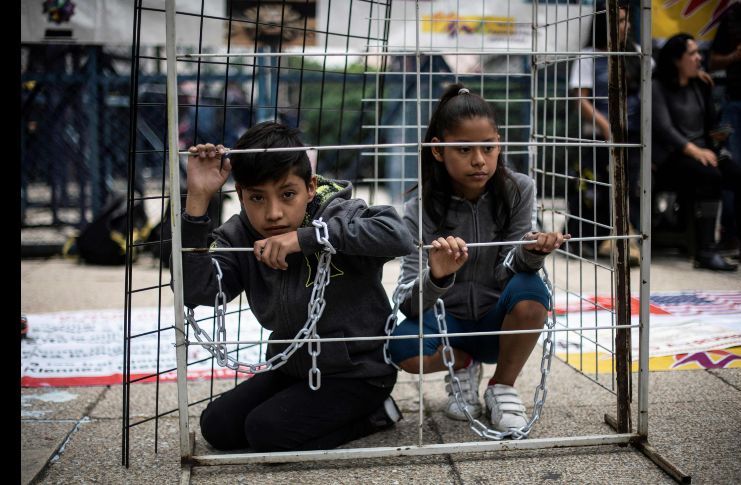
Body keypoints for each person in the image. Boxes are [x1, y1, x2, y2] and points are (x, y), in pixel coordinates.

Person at [174, 121, 414, 452]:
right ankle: (301, 410)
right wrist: (198, 201)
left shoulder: (336, 212)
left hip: (359, 373)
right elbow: (197, 291)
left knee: (267, 433)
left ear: (311, 187)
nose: (273, 213)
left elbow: (398, 236)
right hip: (292, 367)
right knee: (217, 426)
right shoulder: (239, 234)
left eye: (288, 194)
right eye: (257, 198)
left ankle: (376, 414)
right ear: (241, 194)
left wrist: (307, 238)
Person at [388, 84, 569, 433]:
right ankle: (463, 364)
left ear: (499, 143)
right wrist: (438, 276)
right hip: (446, 329)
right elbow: (406, 302)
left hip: (495, 322)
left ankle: (501, 386)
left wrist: (530, 252)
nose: (479, 160)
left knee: (532, 289)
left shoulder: (519, 190)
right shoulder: (418, 209)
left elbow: (510, 274)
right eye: (464, 148)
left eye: (489, 147)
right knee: (402, 347)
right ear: (438, 151)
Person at [652, 33, 741, 271]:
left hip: (703, 152)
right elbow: (665, 129)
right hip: (672, 158)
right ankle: (706, 250)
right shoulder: (657, 86)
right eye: (692, 53)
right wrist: (696, 151)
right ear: (676, 60)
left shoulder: (700, 84)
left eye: (698, 53)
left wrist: (719, 139)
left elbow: (711, 126)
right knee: (710, 176)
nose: (699, 58)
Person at [568, 0, 642, 265]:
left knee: (631, 188)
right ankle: (587, 241)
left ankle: (625, 240)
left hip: (633, 136)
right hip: (597, 136)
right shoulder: (589, 56)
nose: (625, 26)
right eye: (619, 21)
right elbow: (581, 101)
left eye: (626, 20)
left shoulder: (637, 54)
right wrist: (605, 126)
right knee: (591, 188)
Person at [708, 0, 741, 261]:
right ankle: (732, 235)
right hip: (738, 102)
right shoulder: (733, 17)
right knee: (736, 170)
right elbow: (711, 60)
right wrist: (735, 56)